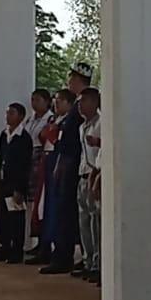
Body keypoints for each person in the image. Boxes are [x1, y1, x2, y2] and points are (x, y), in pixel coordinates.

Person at [41, 66, 91, 275]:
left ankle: (65, 255)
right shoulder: (75, 108)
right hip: (66, 161)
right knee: (66, 212)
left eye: (72, 77)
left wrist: (63, 164)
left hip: (72, 164)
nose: (69, 80)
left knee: (68, 213)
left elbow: (71, 143)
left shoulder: (80, 108)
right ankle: (65, 253)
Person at [28, 89, 76, 269]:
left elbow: (56, 139)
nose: (57, 104)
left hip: (58, 161)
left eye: (60, 101)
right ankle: (44, 245)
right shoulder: (53, 120)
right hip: (47, 161)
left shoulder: (67, 121)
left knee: (58, 208)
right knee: (44, 205)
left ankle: (59, 252)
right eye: (56, 100)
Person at [0, 103, 33, 265]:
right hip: (4, 182)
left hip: (16, 184)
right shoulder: (4, 135)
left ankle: (16, 250)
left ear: (20, 116)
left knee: (16, 218)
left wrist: (20, 188)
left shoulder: (24, 138)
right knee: (3, 217)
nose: (7, 116)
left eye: (11, 113)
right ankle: (4, 246)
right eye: (7, 113)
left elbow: (25, 165)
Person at [74, 87, 102, 284]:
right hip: (83, 174)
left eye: (84, 101)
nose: (80, 105)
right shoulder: (82, 126)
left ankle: (98, 264)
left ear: (94, 102)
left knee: (96, 222)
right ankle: (88, 260)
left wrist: (98, 142)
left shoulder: (101, 124)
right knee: (84, 221)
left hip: (96, 175)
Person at [24, 89, 53, 253]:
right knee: (32, 201)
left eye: (37, 100)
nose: (34, 103)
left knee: (41, 200)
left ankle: (44, 242)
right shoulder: (30, 119)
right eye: (32, 99)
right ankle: (36, 240)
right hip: (29, 157)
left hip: (40, 156)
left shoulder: (49, 119)